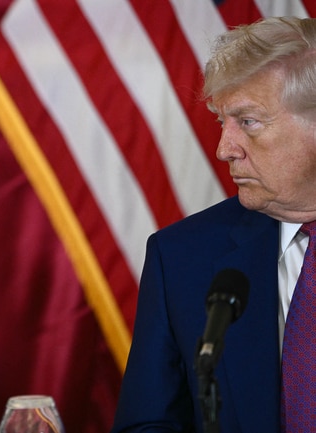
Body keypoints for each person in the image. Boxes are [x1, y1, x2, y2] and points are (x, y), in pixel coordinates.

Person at [111, 16, 316, 433]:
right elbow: (147, 425)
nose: (224, 149)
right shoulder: (182, 258)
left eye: (248, 121)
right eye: (223, 122)